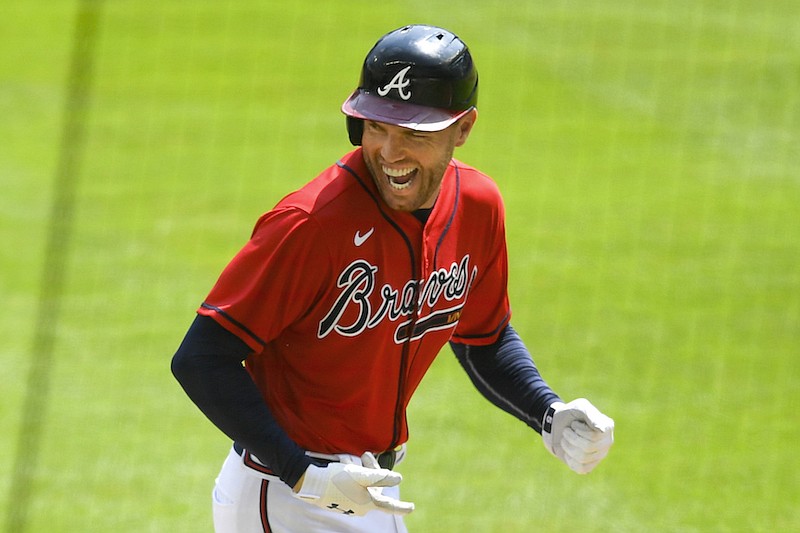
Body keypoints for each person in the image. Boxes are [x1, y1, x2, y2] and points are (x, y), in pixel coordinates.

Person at [171, 24, 614, 533]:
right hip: (286, 494)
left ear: (463, 128)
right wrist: (302, 475)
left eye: (413, 133)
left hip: (371, 491)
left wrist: (548, 412)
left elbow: (483, 338)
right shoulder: (313, 224)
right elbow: (202, 357)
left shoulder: (477, 206)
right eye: (377, 126)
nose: (389, 152)